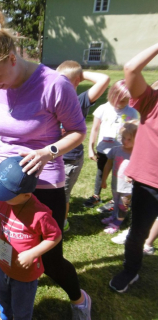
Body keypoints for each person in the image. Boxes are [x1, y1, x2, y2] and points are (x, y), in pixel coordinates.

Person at [0, 1, 92, 318]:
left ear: (12, 58)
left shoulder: (54, 85)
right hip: (5, 182)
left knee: (49, 257)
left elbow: (78, 131)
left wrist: (46, 152)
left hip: (45, 179)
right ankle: (8, 301)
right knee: (8, 242)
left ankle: (79, 299)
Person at [0, 156, 62, 320]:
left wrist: (32, 254)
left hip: (25, 273)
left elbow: (55, 236)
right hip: (3, 262)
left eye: (4, 192)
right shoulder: (6, 202)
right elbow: (2, 217)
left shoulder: (39, 214)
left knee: (21, 307)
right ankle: (4, 316)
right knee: (3, 296)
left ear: (25, 195)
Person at [109, 43, 158, 293]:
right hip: (150, 183)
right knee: (137, 231)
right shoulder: (152, 102)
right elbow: (130, 69)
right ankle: (131, 270)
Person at [56, 61, 110, 231]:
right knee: (51, 191)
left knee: (62, 194)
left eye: (64, 81)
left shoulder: (79, 101)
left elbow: (104, 79)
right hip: (53, 156)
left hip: (70, 159)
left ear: (75, 83)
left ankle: (62, 223)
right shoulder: (53, 100)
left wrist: (80, 74)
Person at [84, 80, 139, 209]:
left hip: (123, 151)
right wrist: (90, 149)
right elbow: (95, 129)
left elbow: (136, 132)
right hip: (103, 149)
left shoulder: (132, 112)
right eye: (120, 100)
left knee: (120, 175)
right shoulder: (103, 108)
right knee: (100, 172)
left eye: (126, 101)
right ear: (112, 95)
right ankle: (96, 196)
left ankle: (118, 199)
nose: (122, 104)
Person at [100, 121, 138, 234]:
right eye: (123, 138)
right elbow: (108, 165)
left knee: (123, 206)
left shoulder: (137, 154)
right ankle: (114, 217)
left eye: (129, 139)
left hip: (128, 188)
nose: (125, 141)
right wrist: (103, 180)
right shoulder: (115, 150)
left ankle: (117, 223)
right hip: (116, 184)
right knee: (116, 202)